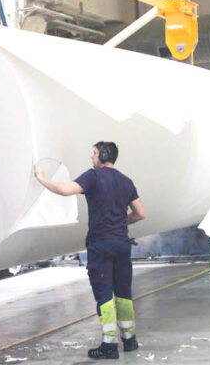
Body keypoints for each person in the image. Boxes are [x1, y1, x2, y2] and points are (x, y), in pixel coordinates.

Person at [34, 141, 146, 359]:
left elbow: (65, 190)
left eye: (94, 153)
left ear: (103, 154)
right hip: (122, 244)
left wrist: (42, 179)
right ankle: (129, 340)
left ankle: (109, 346)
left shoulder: (93, 176)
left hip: (101, 244)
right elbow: (140, 213)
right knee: (123, 293)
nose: (92, 157)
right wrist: (121, 222)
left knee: (104, 294)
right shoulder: (126, 181)